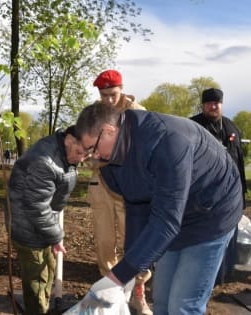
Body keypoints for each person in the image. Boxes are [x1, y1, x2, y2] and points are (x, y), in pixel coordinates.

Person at [75, 102, 243, 315]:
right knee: (162, 302)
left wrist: (115, 277)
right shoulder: (111, 161)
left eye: (93, 148)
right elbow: (136, 207)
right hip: (172, 212)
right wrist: (128, 271)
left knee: (182, 305)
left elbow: (166, 223)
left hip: (212, 213)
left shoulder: (166, 141)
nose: (94, 156)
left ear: (109, 131)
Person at [89, 69, 152, 314]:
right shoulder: (94, 114)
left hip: (130, 188)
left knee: (135, 242)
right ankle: (113, 297)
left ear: (122, 88)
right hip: (102, 185)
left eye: (112, 94)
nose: (108, 100)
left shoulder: (138, 113)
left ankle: (138, 294)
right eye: (103, 95)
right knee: (105, 242)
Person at [8, 126, 86, 315]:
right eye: (79, 152)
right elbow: (37, 207)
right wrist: (56, 236)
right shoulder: (45, 161)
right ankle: (37, 310)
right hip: (28, 228)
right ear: (69, 140)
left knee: (48, 270)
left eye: (86, 154)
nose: (81, 159)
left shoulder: (63, 155)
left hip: (41, 227)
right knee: (36, 280)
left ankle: (41, 307)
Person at [190, 87, 247, 284]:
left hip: (230, 192)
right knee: (205, 234)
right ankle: (202, 275)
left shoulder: (231, 127)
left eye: (217, 103)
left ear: (221, 104)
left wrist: (242, 193)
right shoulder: (193, 126)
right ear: (203, 105)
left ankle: (225, 273)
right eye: (209, 103)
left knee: (229, 231)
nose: (213, 106)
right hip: (203, 194)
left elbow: (239, 161)